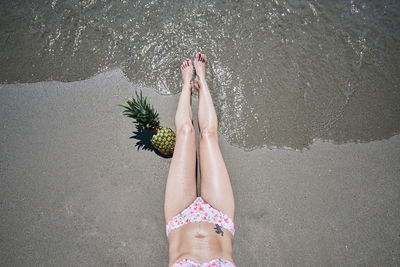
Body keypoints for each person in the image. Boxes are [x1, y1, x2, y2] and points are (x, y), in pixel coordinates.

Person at [164, 53, 236, 267]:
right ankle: (202, 81)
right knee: (208, 136)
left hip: (179, 217)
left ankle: (187, 84)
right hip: (219, 216)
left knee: (185, 132)